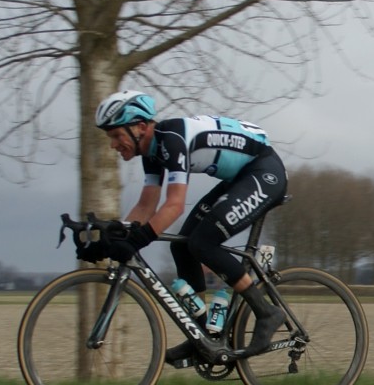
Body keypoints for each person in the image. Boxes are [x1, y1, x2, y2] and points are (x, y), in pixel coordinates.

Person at [92, 90, 288, 365]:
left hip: (264, 173)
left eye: (115, 135)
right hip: (240, 178)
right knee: (182, 246)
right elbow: (146, 206)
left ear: (139, 127)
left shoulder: (171, 141)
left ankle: (266, 312)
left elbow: (174, 205)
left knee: (202, 243)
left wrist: (138, 239)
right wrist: (112, 236)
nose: (113, 144)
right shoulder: (151, 152)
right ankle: (203, 334)